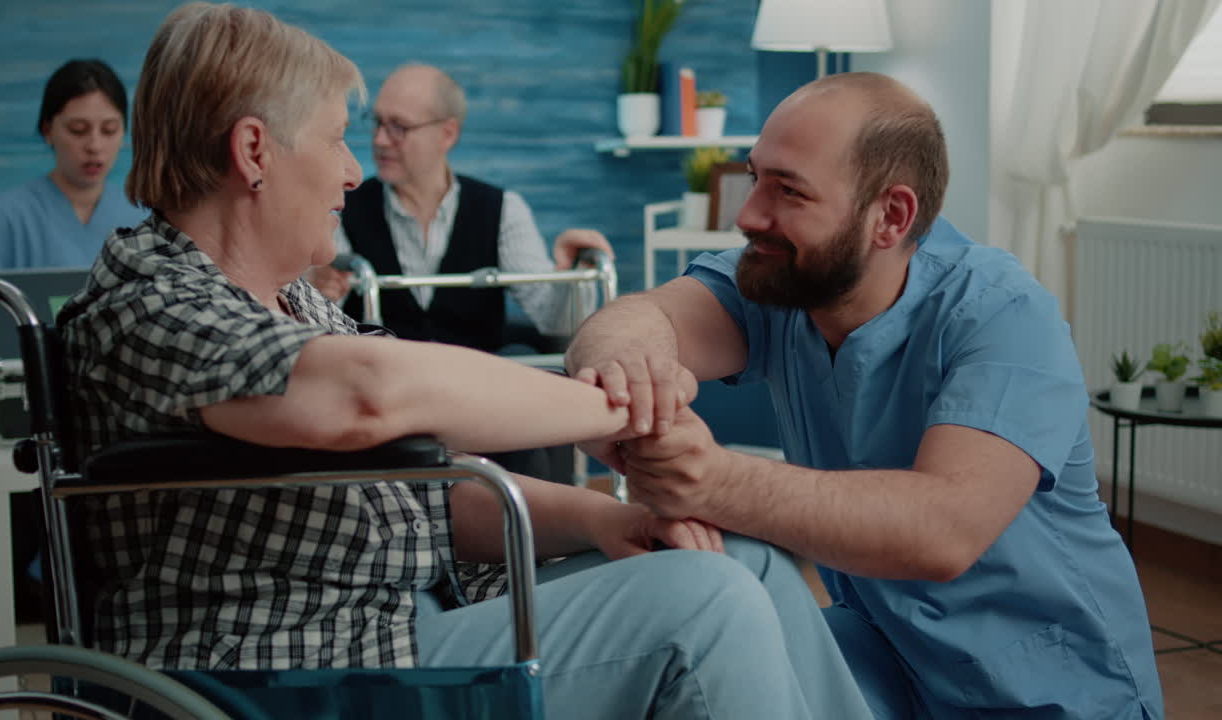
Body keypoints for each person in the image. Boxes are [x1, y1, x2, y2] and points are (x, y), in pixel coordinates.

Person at [57, 5, 872, 718]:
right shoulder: (151, 298)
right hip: (284, 664)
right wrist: (622, 411)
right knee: (708, 604)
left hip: (404, 619)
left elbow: (437, 489)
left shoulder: (294, 301)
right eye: (342, 138)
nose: (353, 170)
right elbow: (366, 397)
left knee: (748, 563)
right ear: (254, 152)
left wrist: (608, 519)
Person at [565, 72, 1163, 719]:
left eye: (788, 191)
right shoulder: (778, 281)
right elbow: (637, 321)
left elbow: (943, 531)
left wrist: (711, 481)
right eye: (755, 177)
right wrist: (623, 376)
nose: (748, 215)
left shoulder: (1005, 315)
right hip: (889, 656)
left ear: (891, 216)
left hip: (1050, 687)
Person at [311, 63, 612, 354]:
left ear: (448, 134)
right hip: (382, 392)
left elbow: (553, 320)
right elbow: (316, 326)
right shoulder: (342, 207)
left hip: (478, 394)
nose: (379, 139)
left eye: (398, 127)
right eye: (377, 122)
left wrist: (572, 273)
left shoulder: (504, 210)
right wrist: (319, 289)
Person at [0, 58, 144, 353]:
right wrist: (28, 352)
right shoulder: (4, 219)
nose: (94, 146)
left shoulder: (141, 220)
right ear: (48, 129)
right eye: (78, 129)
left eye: (110, 130)